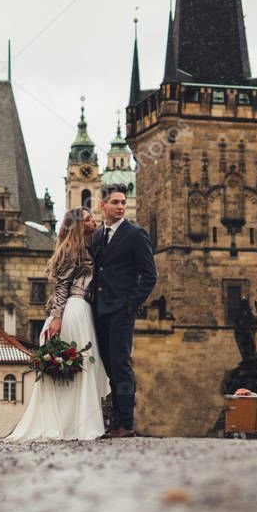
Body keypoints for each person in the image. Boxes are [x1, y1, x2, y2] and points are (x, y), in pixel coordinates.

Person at [2, 208, 110, 441]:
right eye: (89, 218)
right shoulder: (72, 250)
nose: (94, 221)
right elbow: (62, 288)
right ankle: (75, 425)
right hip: (75, 310)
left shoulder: (87, 246)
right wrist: (58, 317)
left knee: (83, 366)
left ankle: (76, 423)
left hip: (84, 309)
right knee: (80, 367)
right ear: (79, 225)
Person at [90, 183, 157, 439]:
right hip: (99, 310)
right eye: (115, 202)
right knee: (108, 366)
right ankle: (114, 420)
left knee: (121, 365)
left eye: (123, 202)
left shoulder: (135, 234)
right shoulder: (98, 235)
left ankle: (125, 423)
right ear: (103, 205)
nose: (120, 206)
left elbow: (149, 276)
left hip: (121, 310)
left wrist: (131, 304)